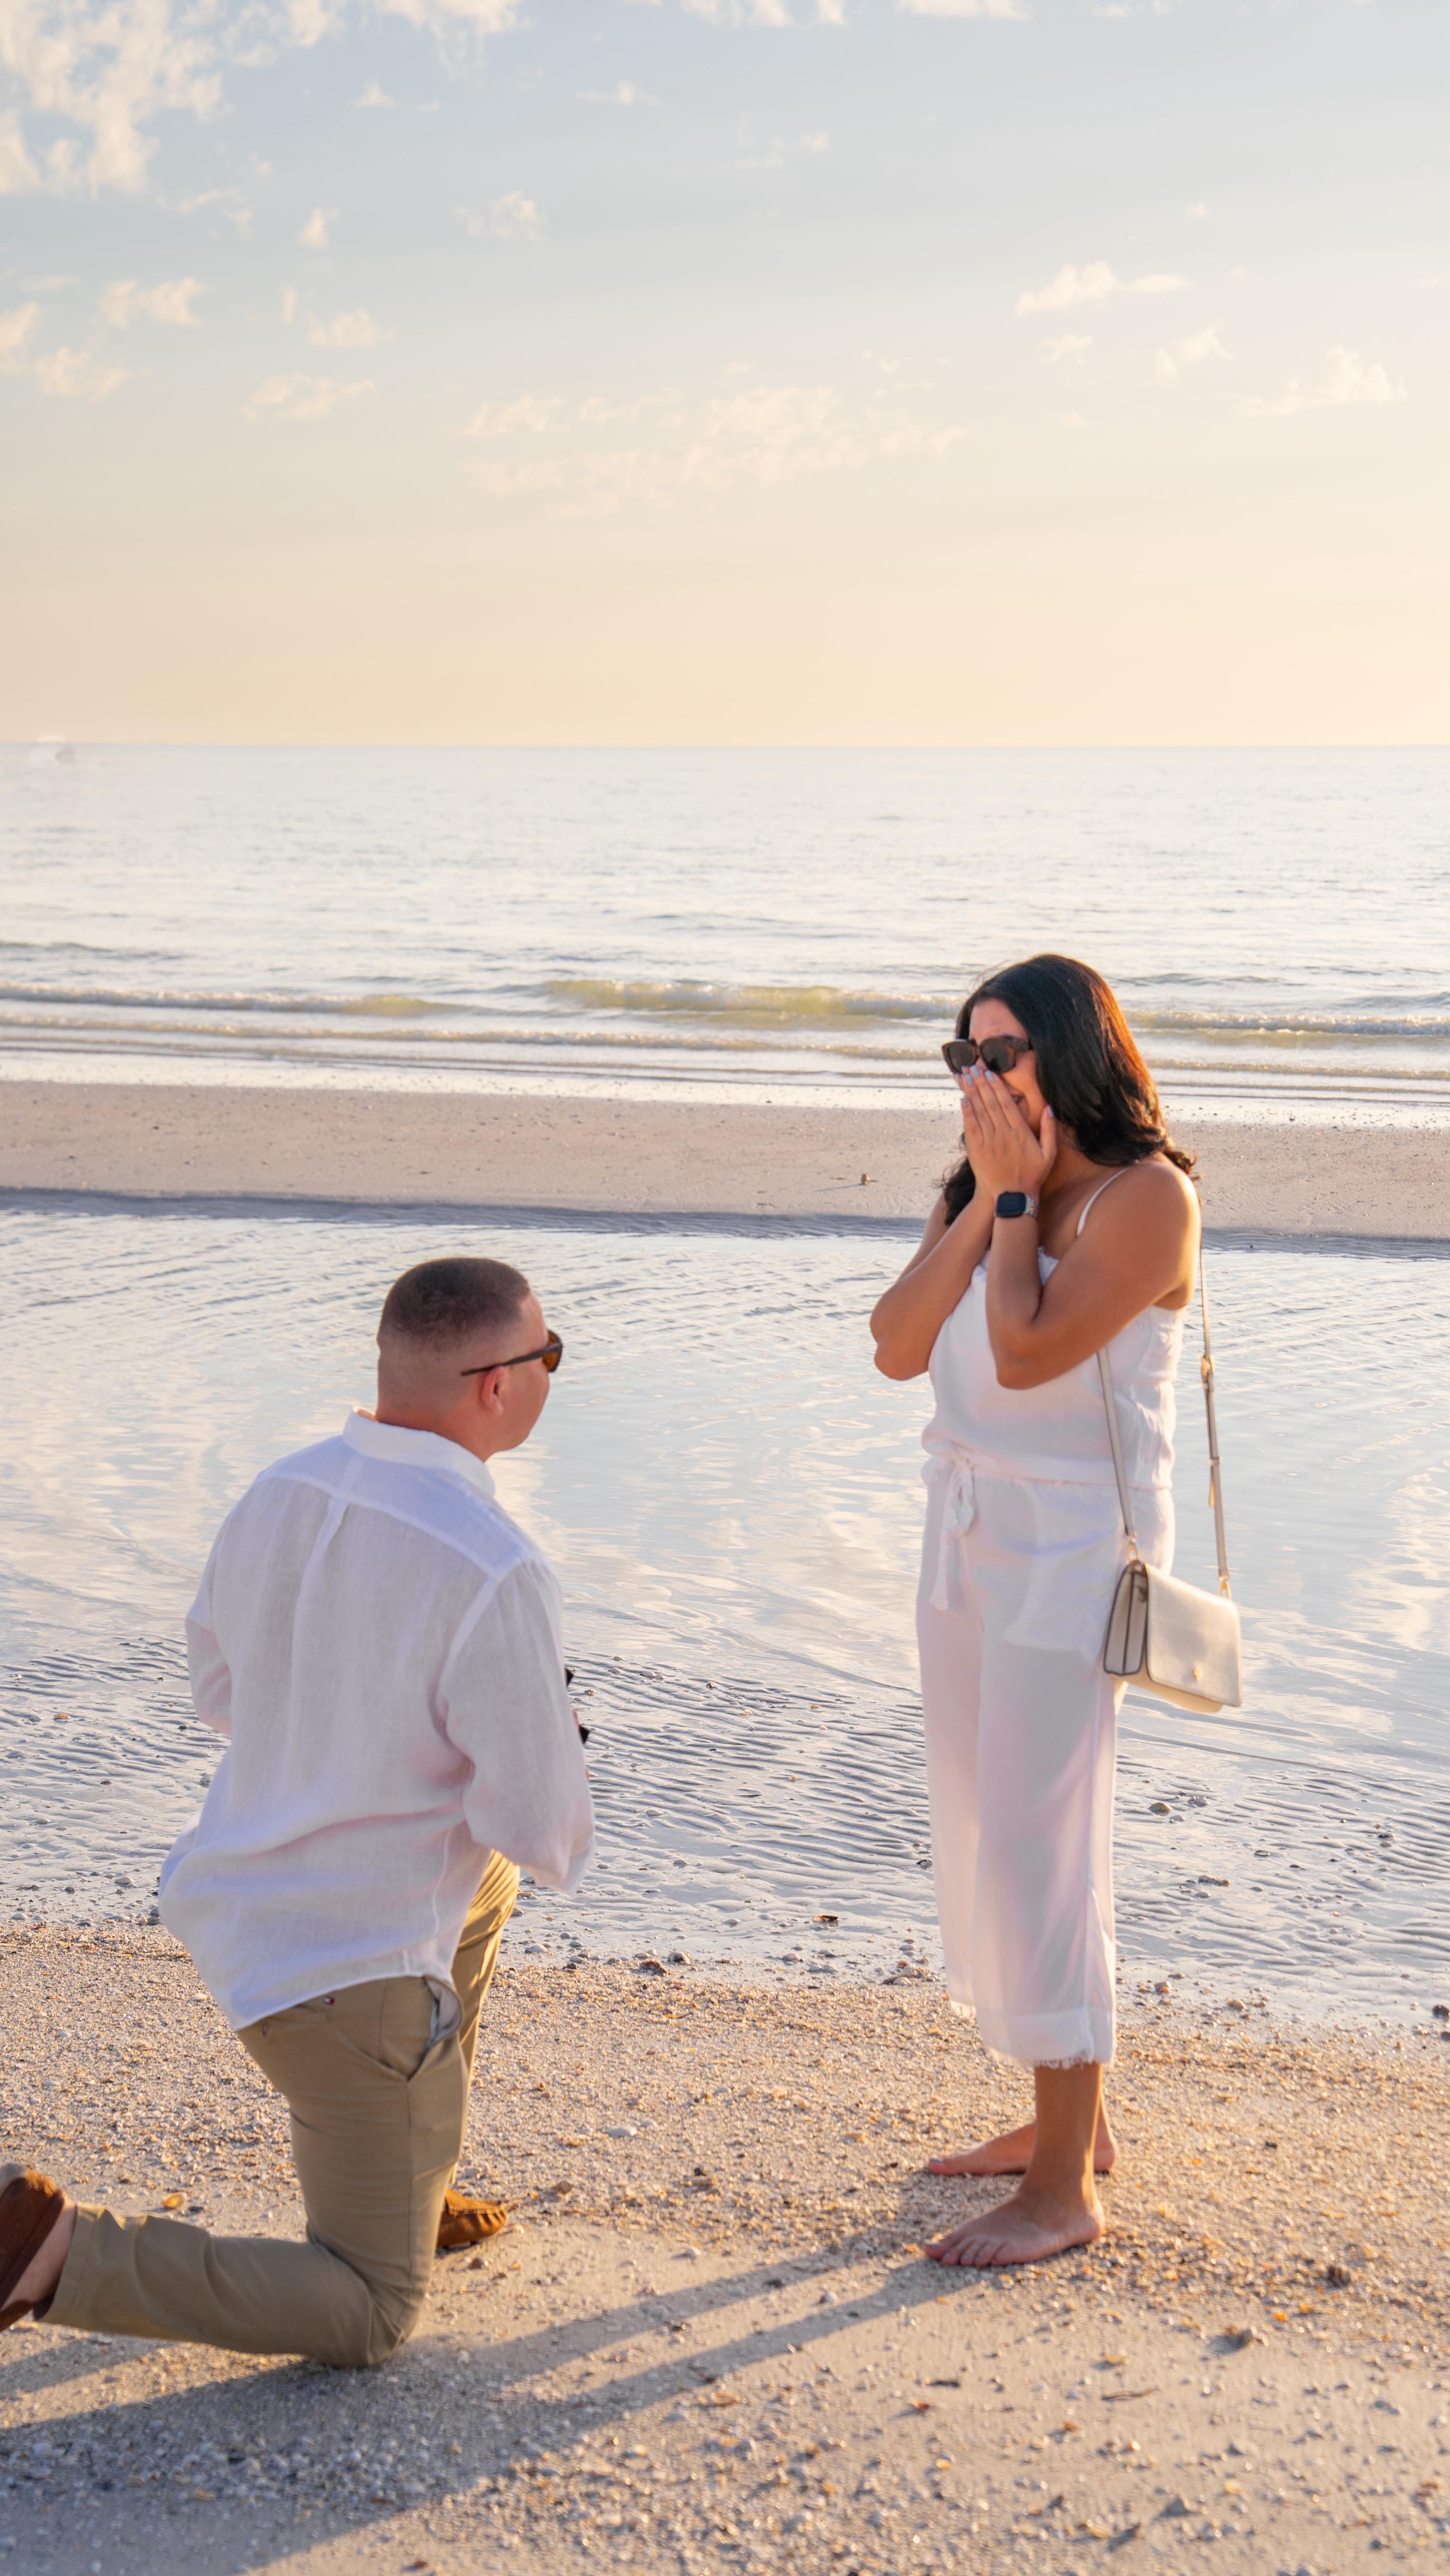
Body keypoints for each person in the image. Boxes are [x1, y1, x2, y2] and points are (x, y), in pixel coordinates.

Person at [0, 1255, 594, 2363]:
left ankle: (417, 2173)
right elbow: (546, 1832)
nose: (554, 1370)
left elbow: (218, 1690)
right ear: (497, 1386)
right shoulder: (496, 1565)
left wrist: (355, 1731)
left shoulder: (280, 1488)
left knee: (486, 1886)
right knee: (369, 2310)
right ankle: (49, 2251)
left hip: (240, 1903)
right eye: (549, 1352)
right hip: (349, 1977)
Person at [870, 954, 1199, 2269]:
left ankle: (1063, 2188)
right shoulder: (982, 1191)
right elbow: (899, 1344)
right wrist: (982, 1198)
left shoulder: (1146, 1200)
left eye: (1001, 1053)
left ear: (1069, 1055)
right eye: (963, 1056)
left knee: (1034, 1839)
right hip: (966, 1529)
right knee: (980, 1817)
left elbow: (1021, 1347)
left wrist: (1011, 1195)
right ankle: (1067, 2122)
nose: (980, 1079)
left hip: (1074, 1547)